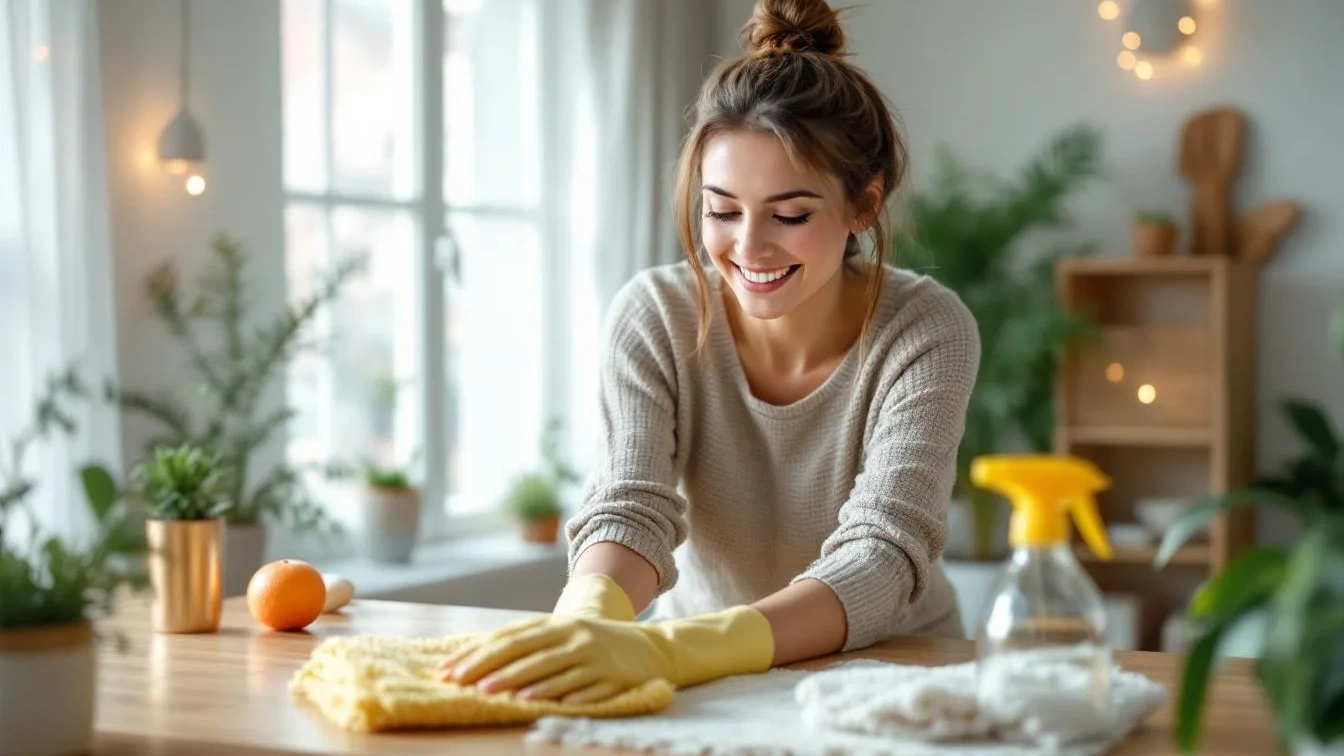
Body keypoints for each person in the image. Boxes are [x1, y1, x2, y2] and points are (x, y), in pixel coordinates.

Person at [437, 0, 980, 705]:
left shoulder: (925, 330)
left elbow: (882, 553)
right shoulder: (655, 315)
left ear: (864, 206)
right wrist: (585, 624)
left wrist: (676, 648)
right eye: (721, 209)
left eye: (789, 215)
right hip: (698, 676)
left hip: (895, 674)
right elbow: (631, 505)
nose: (747, 248)